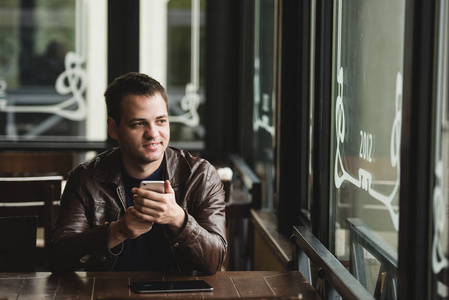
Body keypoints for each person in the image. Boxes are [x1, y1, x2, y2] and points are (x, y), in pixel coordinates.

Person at [48, 72, 227, 274]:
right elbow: (57, 258)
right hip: (107, 295)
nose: (153, 133)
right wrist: (116, 232)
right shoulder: (86, 179)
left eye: (161, 121)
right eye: (139, 123)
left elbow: (214, 261)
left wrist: (178, 219)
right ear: (114, 128)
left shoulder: (200, 175)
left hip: (180, 294)